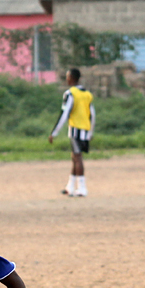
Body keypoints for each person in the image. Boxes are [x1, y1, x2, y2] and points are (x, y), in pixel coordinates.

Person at [48, 68, 95, 197]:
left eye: (68, 76)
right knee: (75, 157)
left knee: (78, 157)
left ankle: (82, 188)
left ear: (72, 78)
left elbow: (64, 113)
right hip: (85, 129)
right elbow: (92, 114)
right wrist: (91, 131)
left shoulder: (70, 94)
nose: (66, 79)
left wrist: (54, 132)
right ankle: (70, 186)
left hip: (76, 129)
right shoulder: (87, 94)